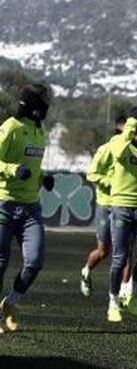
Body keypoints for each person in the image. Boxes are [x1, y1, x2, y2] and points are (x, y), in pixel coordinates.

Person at [88, 106, 137, 323]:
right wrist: (129, 132)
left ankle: (128, 290)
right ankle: (113, 302)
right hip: (121, 207)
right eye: (134, 127)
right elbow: (118, 154)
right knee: (119, 258)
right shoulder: (118, 142)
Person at [0, 83, 54, 332]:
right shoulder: (11, 127)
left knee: (35, 261)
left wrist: (43, 177)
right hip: (4, 205)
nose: (47, 104)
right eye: (44, 100)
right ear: (33, 103)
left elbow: (33, 166)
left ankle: (10, 303)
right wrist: (12, 169)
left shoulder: (40, 131)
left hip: (31, 208)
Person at [81, 115, 133, 299]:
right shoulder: (106, 149)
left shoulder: (135, 151)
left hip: (126, 205)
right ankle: (86, 271)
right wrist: (111, 183)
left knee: (127, 251)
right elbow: (92, 174)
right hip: (106, 205)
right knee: (104, 251)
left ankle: (125, 292)